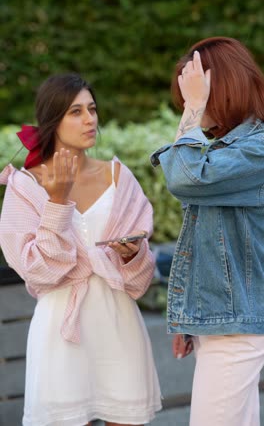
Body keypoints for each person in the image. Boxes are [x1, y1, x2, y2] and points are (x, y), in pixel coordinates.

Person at [0, 73, 162, 426]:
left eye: (92, 109)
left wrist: (131, 254)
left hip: (118, 323)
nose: (89, 119)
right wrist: (57, 202)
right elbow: (38, 270)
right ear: (52, 121)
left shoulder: (118, 178)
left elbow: (141, 274)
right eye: (75, 112)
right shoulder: (25, 186)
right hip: (61, 329)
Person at [150, 36, 264, 426]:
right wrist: (190, 318)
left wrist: (194, 111)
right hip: (221, 323)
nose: (187, 105)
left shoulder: (258, 148)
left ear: (225, 87)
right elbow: (210, 241)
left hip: (237, 328)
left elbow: (186, 180)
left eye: (195, 94)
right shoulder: (227, 149)